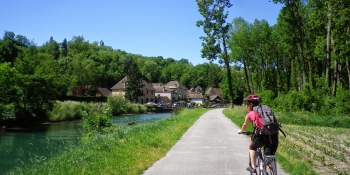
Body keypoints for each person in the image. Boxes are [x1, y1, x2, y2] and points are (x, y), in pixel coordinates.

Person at [237, 94, 279, 173]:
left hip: (261, 137)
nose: (246, 106)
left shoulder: (251, 113)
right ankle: (271, 168)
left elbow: (245, 125)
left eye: (247, 104)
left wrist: (241, 131)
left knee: (252, 147)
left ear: (250, 104)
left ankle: (253, 167)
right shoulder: (266, 110)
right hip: (274, 136)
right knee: (270, 156)